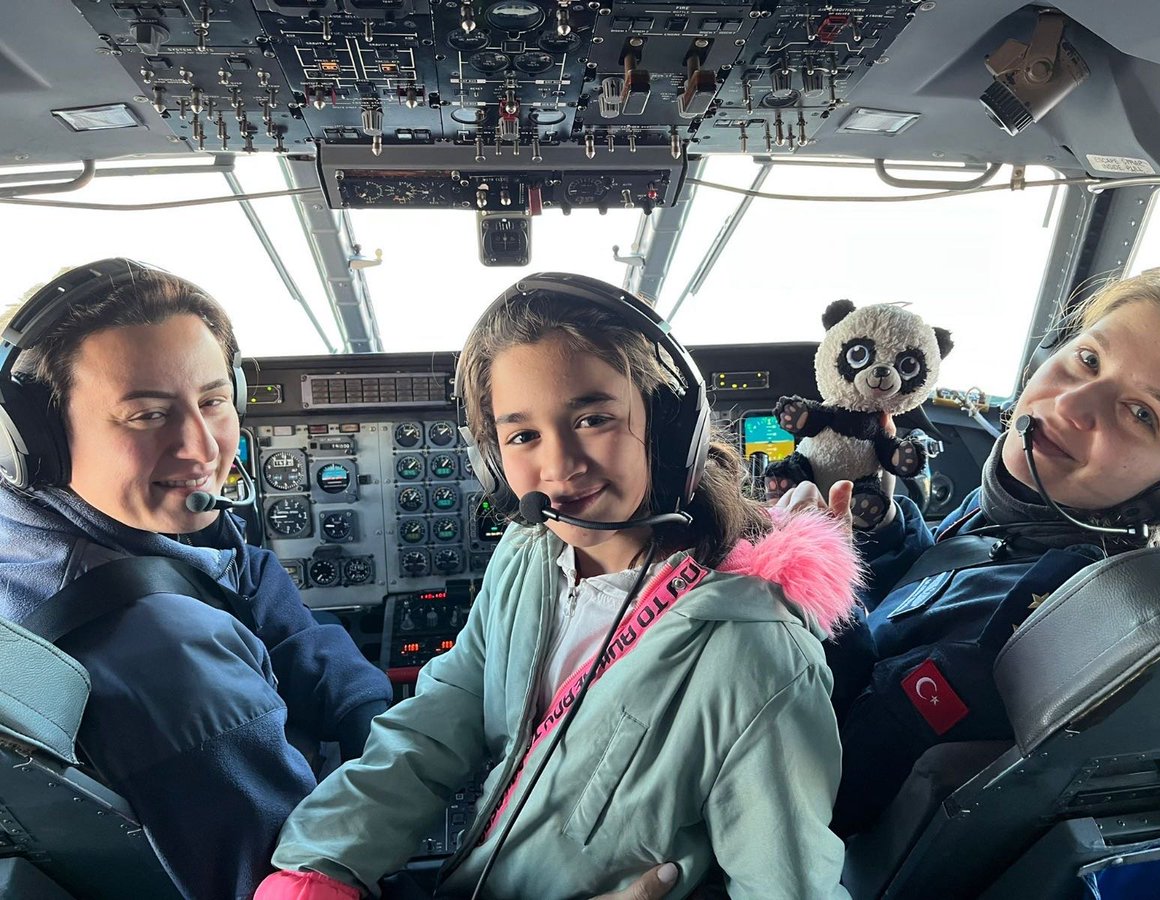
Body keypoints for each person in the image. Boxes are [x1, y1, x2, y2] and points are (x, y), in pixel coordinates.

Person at [256, 274, 860, 899]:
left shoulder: (760, 656)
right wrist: (319, 861)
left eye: (595, 418)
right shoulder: (528, 556)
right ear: (493, 459)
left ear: (670, 425)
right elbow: (437, 723)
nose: (560, 465)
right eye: (522, 436)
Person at [0, 259, 393, 899]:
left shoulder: (82, 517)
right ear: (34, 439)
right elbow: (303, 876)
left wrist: (366, 713)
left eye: (212, 401)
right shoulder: (168, 660)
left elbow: (238, 574)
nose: (202, 450)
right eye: (148, 415)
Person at [781, 264, 1160, 836]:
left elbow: (835, 767)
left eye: (1141, 413)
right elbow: (937, 586)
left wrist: (813, 584)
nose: (1076, 402)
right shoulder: (1029, 509)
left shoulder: (1058, 620)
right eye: (1089, 359)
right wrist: (881, 535)